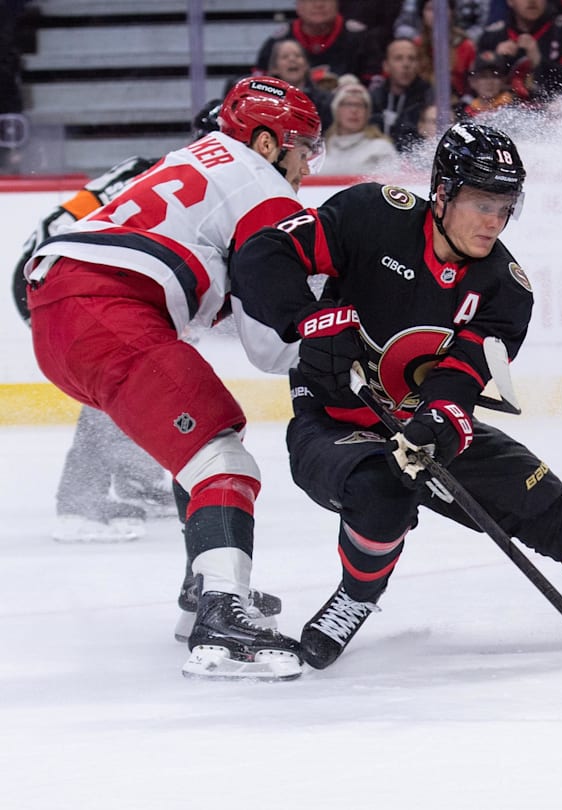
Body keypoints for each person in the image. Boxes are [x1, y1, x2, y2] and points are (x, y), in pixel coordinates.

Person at [228, 122, 562, 670]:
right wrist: (310, 321)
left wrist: (441, 417)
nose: (495, 221)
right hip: (335, 420)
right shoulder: (373, 215)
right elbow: (262, 254)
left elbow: (460, 377)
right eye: (483, 203)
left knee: (547, 505)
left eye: (506, 207)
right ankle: (356, 597)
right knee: (379, 490)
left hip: (421, 425)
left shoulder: (506, 289)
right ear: (442, 193)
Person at [22, 76, 325, 681]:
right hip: (104, 310)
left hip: (63, 308)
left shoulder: (195, 158)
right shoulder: (266, 191)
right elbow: (269, 348)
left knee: (200, 449)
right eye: (301, 147)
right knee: (223, 459)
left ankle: (202, 592)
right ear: (266, 144)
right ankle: (219, 609)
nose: (306, 166)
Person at [6, 105, 233, 543]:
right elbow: (67, 227)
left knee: (143, 372)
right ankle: (81, 500)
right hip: (67, 279)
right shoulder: (171, 182)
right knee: (119, 372)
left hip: (67, 273)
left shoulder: (168, 175)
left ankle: (136, 481)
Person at [254, 0, 380, 85]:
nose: (319, 4)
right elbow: (259, 88)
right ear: (298, 5)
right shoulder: (278, 42)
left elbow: (375, 88)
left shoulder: (361, 38)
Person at [317, 74, 398, 175]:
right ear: (336, 110)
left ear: (367, 113)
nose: (354, 110)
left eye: (360, 105)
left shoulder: (381, 148)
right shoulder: (320, 149)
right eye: (348, 104)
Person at [370, 38, 433, 148]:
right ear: (386, 65)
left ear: (418, 65)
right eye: (398, 58)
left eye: (412, 59)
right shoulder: (373, 99)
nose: (406, 64)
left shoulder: (430, 99)